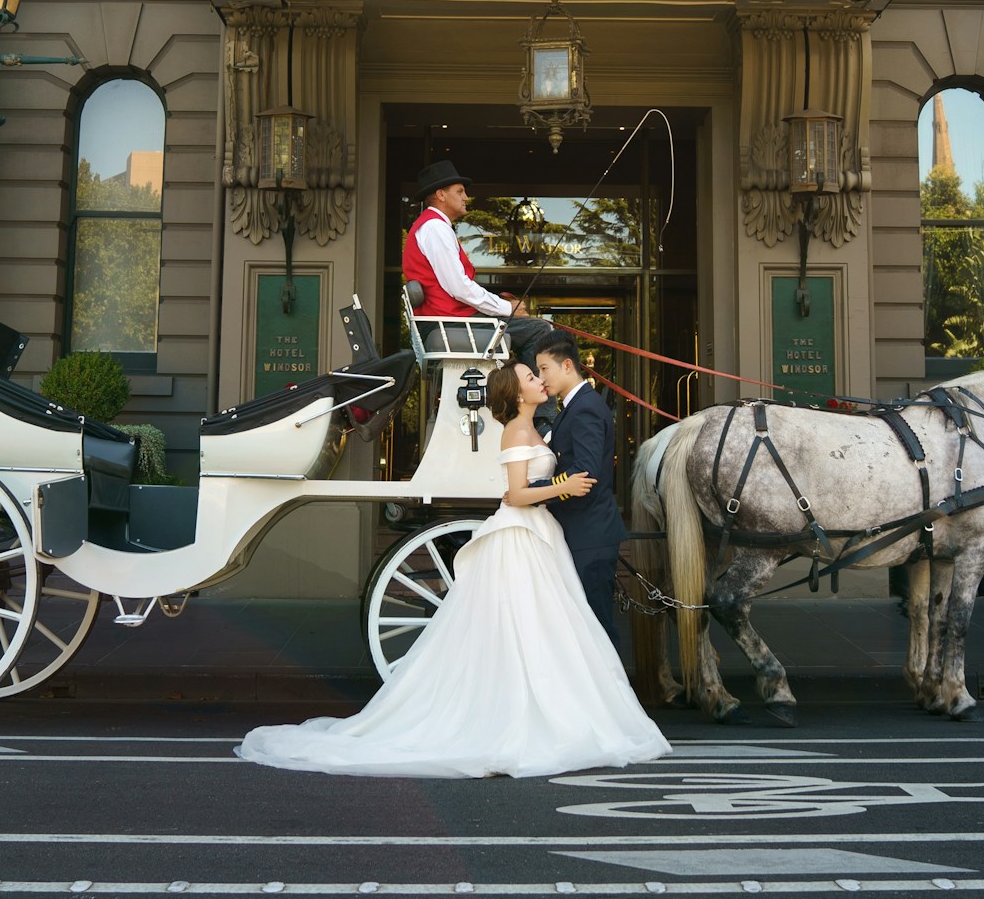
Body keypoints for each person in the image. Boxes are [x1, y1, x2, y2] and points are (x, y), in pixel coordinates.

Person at [235, 356, 669, 777]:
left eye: (538, 373)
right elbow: (516, 495)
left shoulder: (533, 428)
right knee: (528, 624)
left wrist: (557, 483)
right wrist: (564, 485)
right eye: (530, 376)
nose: (539, 380)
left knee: (544, 625)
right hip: (521, 532)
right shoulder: (516, 432)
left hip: (539, 533)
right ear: (518, 394)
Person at [531, 327, 629, 646]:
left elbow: (583, 473)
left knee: (596, 627)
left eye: (544, 368)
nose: (541, 377)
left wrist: (536, 491)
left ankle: (613, 681)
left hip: (590, 533)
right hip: (583, 529)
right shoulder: (574, 406)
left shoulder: (585, 408)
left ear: (567, 365)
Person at [402, 160, 514, 319]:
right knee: (538, 328)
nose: (466, 198)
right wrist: (507, 308)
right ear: (441, 195)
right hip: (449, 320)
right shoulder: (435, 227)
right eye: (460, 192)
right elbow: (459, 287)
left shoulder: (433, 225)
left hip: (446, 318)